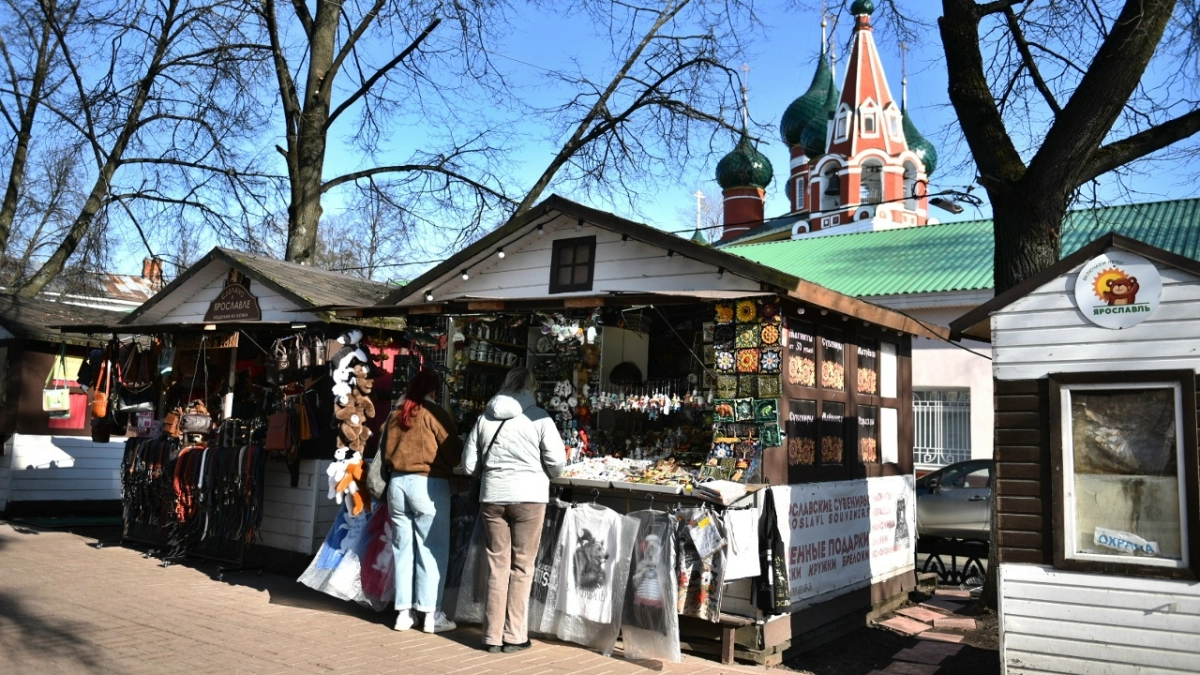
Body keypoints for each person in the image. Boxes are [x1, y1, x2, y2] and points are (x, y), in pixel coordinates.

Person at [462, 367, 567, 654]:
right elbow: (557, 464)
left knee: (497, 565)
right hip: (529, 497)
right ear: (531, 388)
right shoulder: (539, 417)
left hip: (492, 496)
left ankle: (492, 636)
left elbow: (470, 465)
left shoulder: (485, 417)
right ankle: (514, 635)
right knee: (522, 566)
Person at [381, 368, 462, 633]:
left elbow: (383, 452)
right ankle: (431, 615)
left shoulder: (396, 414)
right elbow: (454, 453)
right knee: (432, 550)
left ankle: (403, 614)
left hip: (397, 484)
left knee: (402, 550)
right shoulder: (434, 413)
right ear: (434, 390)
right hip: (428, 485)